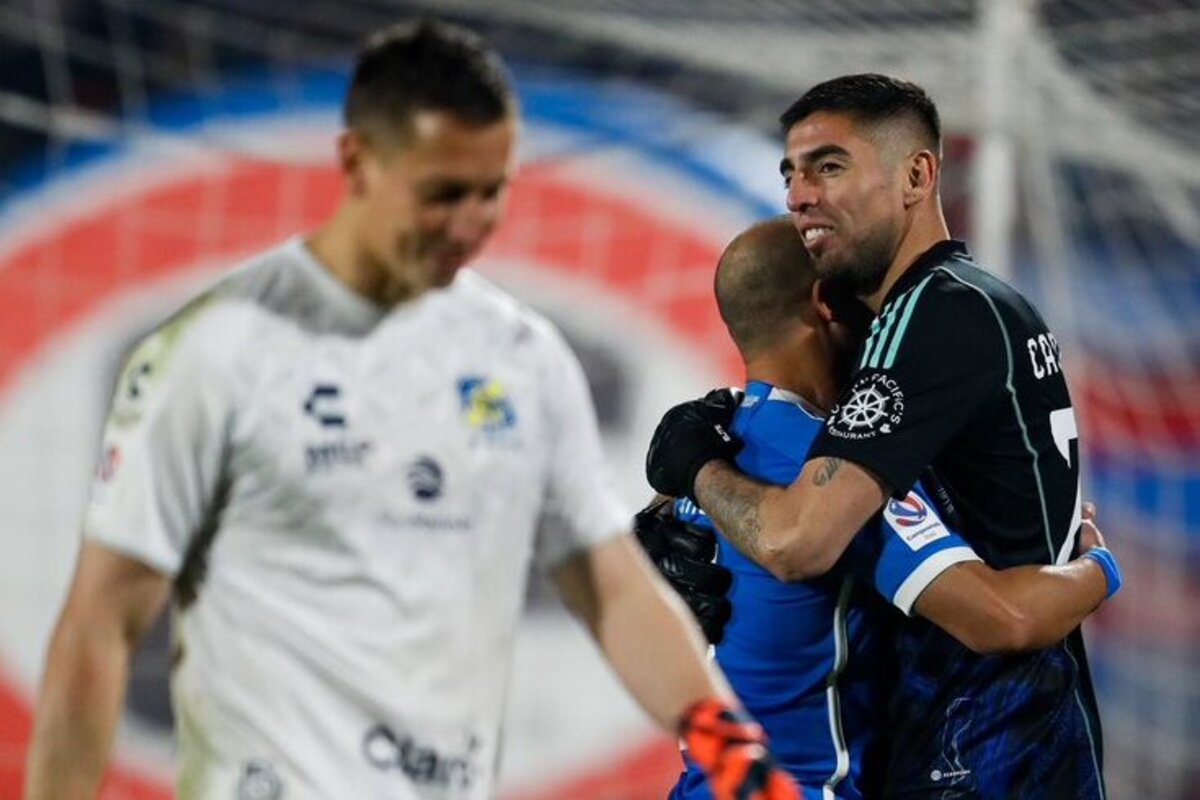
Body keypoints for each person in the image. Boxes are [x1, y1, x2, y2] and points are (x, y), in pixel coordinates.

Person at [23, 20, 800, 800]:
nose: (469, 223)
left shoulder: (520, 357)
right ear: (357, 162)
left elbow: (611, 586)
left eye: (490, 192)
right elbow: (101, 623)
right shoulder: (217, 351)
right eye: (442, 195)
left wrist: (727, 744)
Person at [645, 75, 1116, 797]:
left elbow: (797, 541)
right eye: (792, 173)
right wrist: (1099, 566)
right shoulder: (976, 308)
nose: (800, 193)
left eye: (828, 166)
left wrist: (692, 470)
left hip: (982, 746)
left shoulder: (924, 324)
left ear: (917, 176)